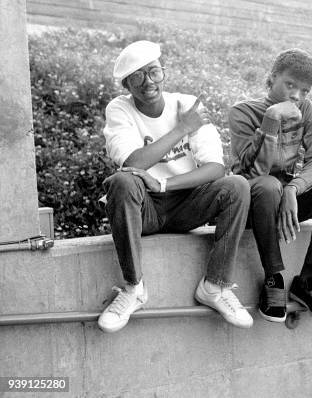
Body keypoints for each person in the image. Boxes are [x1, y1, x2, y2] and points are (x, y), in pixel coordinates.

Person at [99, 40, 253, 332]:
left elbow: (215, 168)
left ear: (164, 73)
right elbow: (133, 160)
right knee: (121, 181)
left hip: (186, 204)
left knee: (237, 185)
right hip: (145, 208)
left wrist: (163, 183)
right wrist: (182, 129)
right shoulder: (119, 109)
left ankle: (214, 286)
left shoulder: (186, 104)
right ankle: (133, 288)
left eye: (154, 72)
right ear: (127, 85)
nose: (148, 82)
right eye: (137, 76)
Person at [229, 48, 312, 325]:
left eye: (304, 90)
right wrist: (272, 119)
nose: (296, 95)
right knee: (268, 184)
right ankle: (274, 278)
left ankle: (307, 280)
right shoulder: (242, 112)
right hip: (255, 203)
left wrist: (294, 189)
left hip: (285, 198)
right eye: (290, 85)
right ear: (271, 79)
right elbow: (254, 171)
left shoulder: (305, 110)